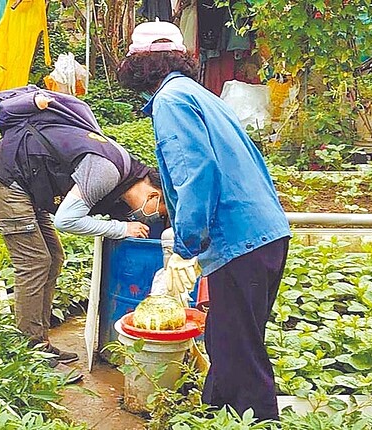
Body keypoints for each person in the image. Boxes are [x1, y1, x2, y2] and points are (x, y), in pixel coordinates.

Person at [117, 21, 291, 421]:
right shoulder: (198, 93)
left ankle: (261, 421)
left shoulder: (171, 102)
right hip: (264, 232)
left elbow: (196, 173)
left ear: (141, 64)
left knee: (239, 350)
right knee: (227, 338)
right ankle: (214, 412)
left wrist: (185, 246)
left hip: (241, 238)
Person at [0, 85, 167, 377]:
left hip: (26, 184)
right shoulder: (108, 171)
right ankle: (30, 353)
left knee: (53, 256)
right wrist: (120, 228)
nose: (149, 217)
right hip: (1, 178)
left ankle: (40, 341)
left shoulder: (125, 169)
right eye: (158, 212)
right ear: (153, 196)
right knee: (34, 261)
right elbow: (67, 220)